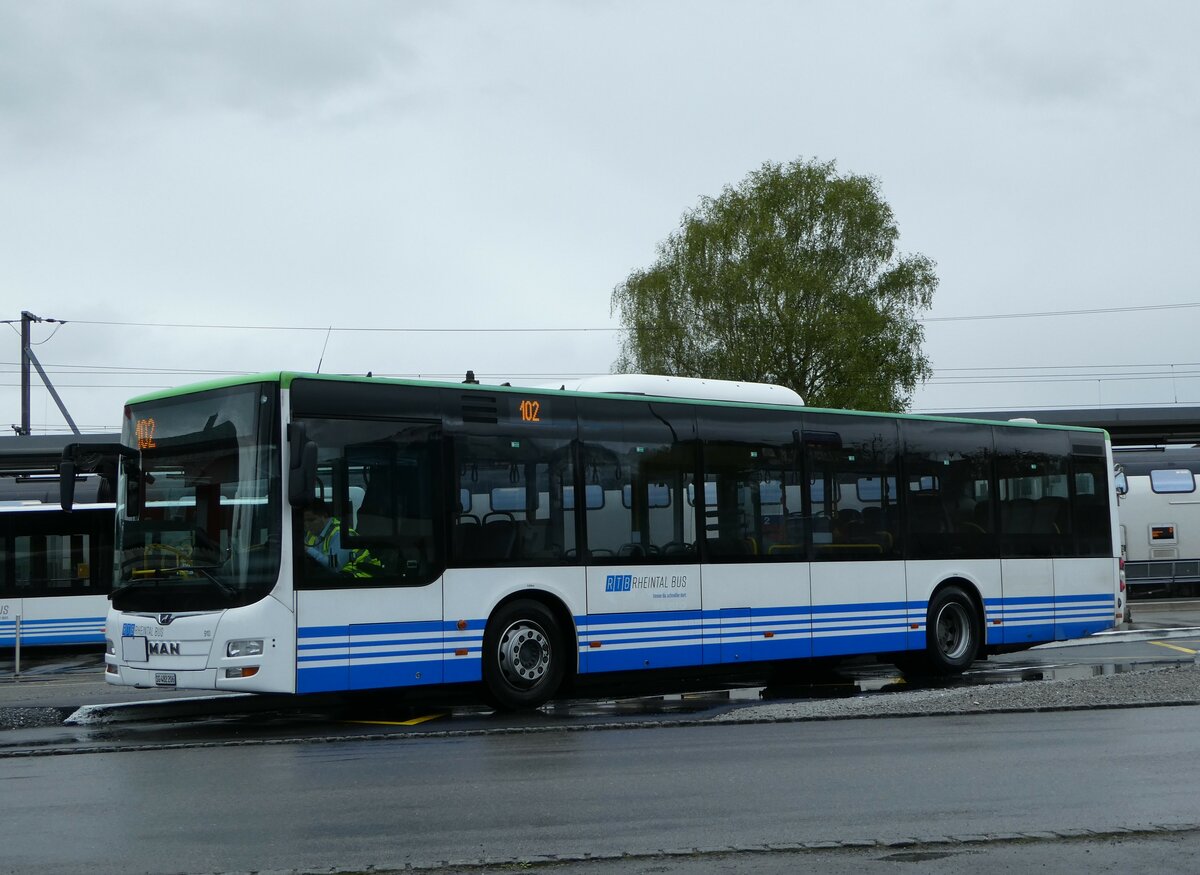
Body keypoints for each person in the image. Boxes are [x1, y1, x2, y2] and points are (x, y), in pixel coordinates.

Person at [302, 500, 381, 578]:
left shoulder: (340, 533)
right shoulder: (312, 533)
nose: (307, 525)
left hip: (360, 576)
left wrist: (308, 549)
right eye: (304, 521)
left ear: (325, 516)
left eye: (311, 520)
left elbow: (334, 567)